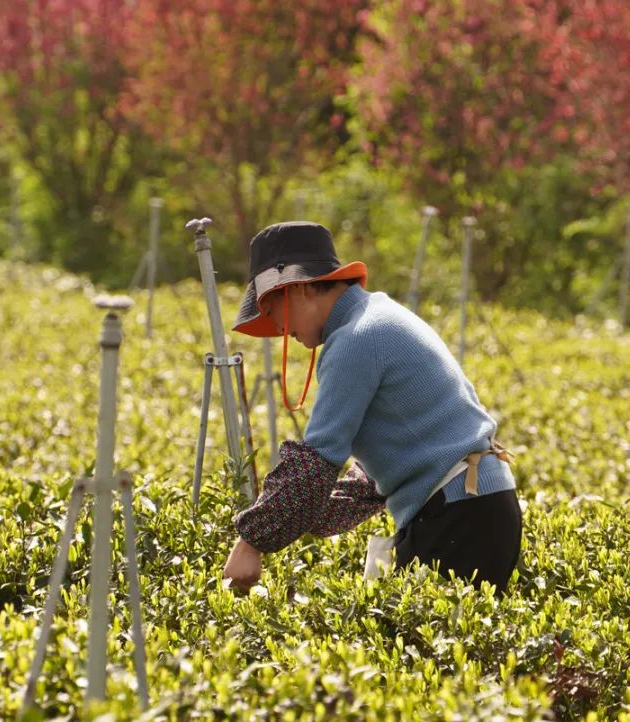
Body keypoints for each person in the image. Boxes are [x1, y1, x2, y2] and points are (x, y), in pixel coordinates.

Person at [221, 221, 521, 593]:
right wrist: (298, 513)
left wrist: (251, 542)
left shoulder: (356, 339)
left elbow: (316, 460)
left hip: (458, 514)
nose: (279, 327)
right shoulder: (376, 315)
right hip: (477, 507)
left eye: (271, 307)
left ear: (298, 288)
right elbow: (380, 468)